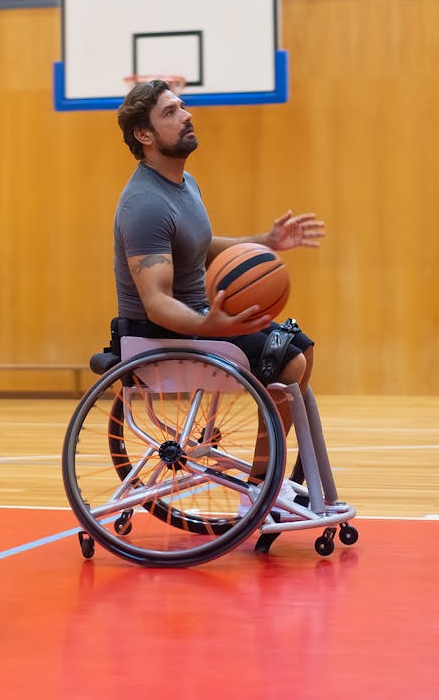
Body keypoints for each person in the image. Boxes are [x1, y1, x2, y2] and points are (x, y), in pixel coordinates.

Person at [112, 78, 326, 511]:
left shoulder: (184, 183)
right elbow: (156, 300)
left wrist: (267, 241)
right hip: (161, 333)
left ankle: (265, 479)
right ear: (145, 135)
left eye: (182, 107)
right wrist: (209, 325)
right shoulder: (145, 204)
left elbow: (199, 247)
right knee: (289, 361)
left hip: (198, 320)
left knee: (300, 348)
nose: (187, 115)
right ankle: (259, 491)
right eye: (171, 112)